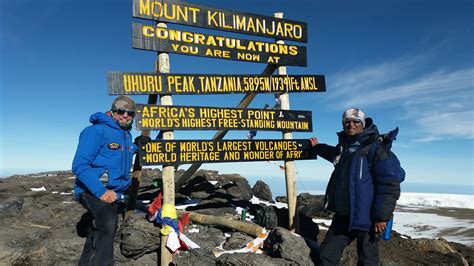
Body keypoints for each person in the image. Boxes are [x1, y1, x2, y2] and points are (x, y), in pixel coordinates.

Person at [309, 108, 405, 265]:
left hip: (368, 218)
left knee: (367, 260)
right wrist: (317, 147)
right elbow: (332, 153)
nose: (351, 124)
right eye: (347, 121)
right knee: (326, 256)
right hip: (344, 215)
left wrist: (381, 217)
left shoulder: (375, 149)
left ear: (363, 124)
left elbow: (389, 185)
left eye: (356, 121)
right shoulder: (344, 148)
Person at [72, 95, 138, 265]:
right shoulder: (95, 131)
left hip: (114, 193)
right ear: (112, 111)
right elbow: (79, 165)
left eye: (130, 113)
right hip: (91, 189)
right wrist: (100, 191)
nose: (125, 115)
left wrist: (139, 145)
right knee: (108, 222)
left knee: (97, 232)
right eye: (121, 111)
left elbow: (122, 152)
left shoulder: (126, 135)